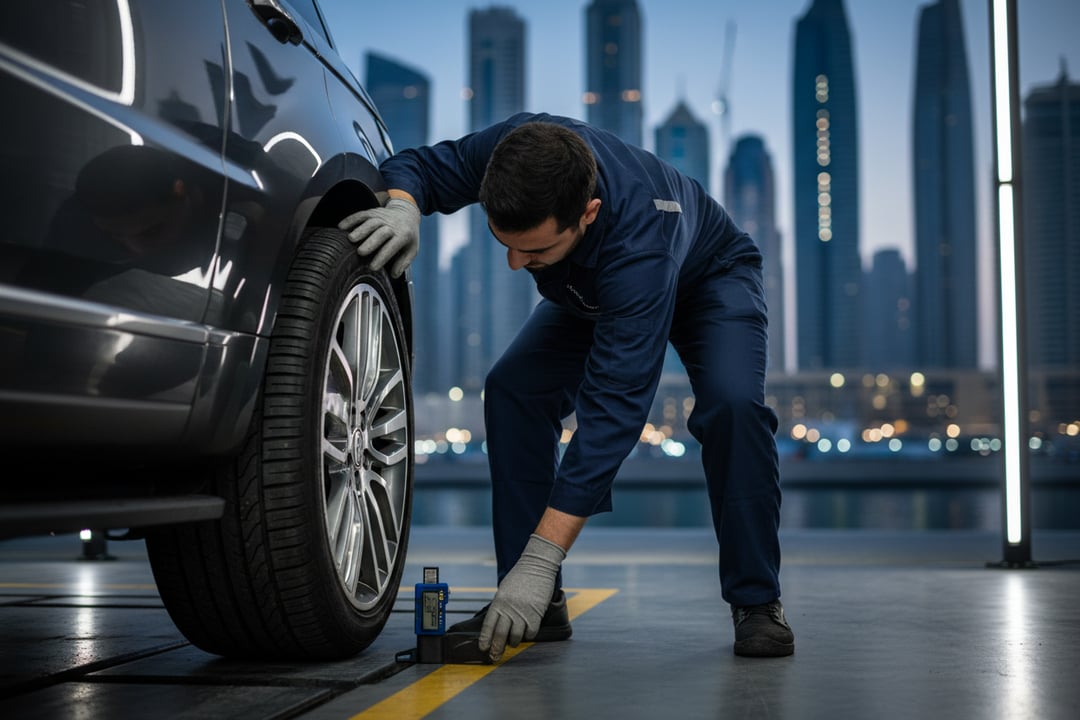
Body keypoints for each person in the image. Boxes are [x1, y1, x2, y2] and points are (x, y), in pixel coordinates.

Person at [338, 112, 794, 661]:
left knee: (733, 407)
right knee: (512, 390)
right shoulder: (515, 149)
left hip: (711, 280)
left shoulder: (640, 244)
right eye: (504, 244)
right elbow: (420, 164)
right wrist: (405, 207)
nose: (514, 265)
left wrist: (544, 554)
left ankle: (757, 601)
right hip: (592, 290)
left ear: (589, 213)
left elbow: (612, 412)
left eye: (533, 252)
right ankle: (535, 604)